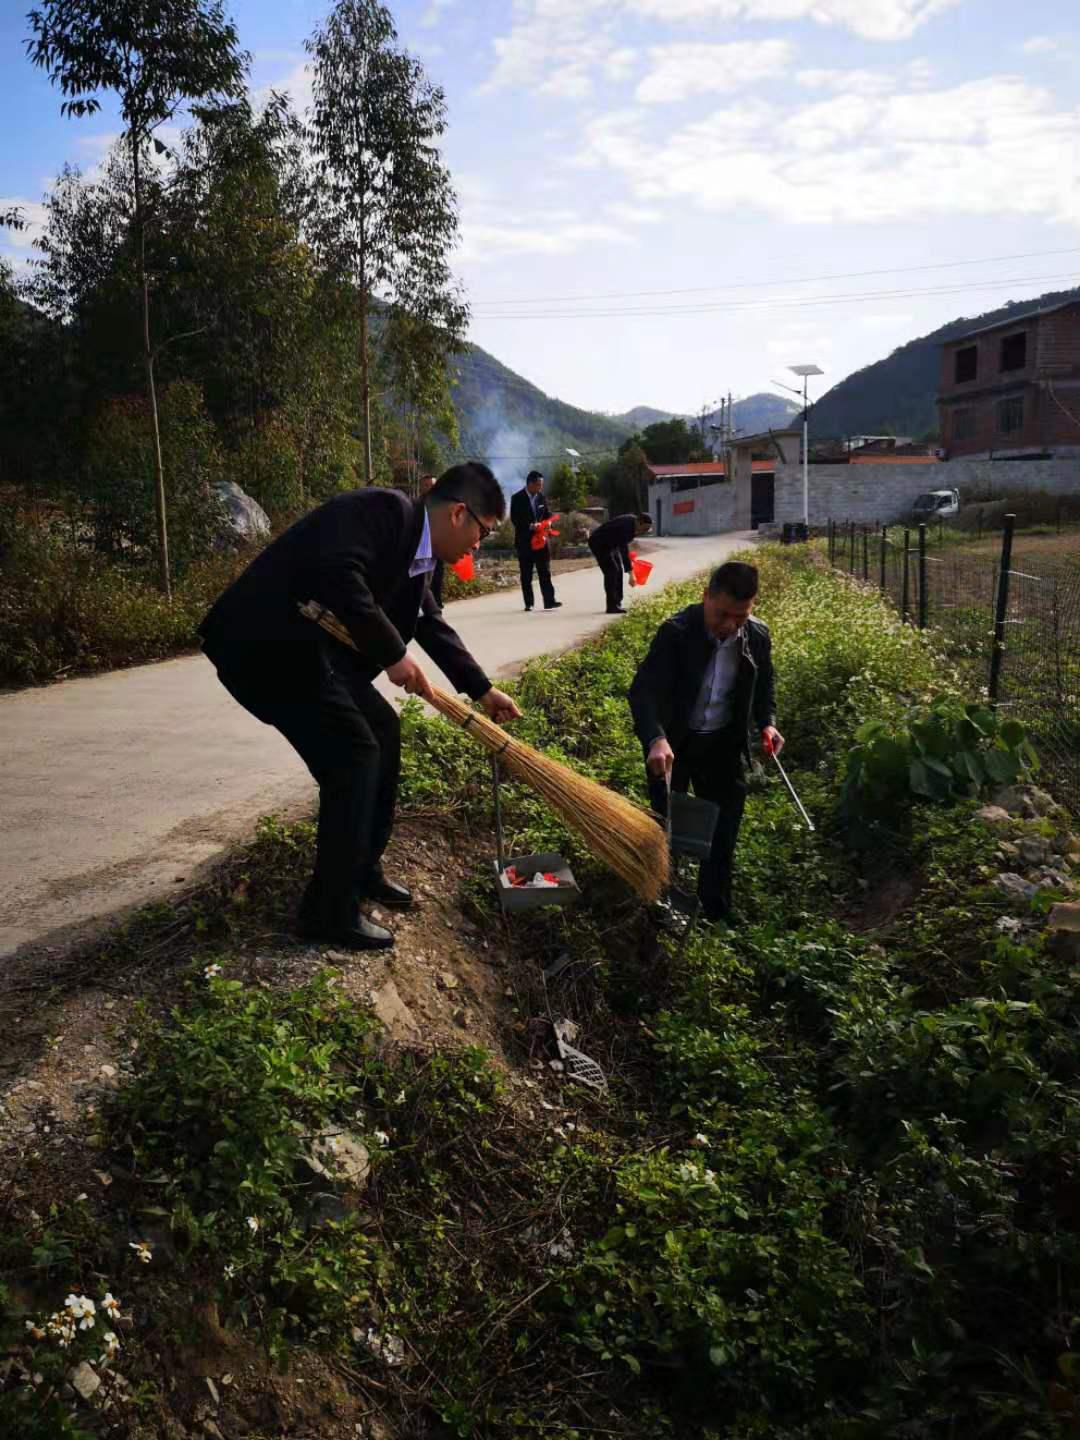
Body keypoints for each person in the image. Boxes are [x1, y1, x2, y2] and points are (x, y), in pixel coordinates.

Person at [198, 463, 520, 952]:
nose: (479, 546)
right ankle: (328, 911)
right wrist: (392, 654)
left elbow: (429, 624)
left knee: (383, 732)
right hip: (264, 645)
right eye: (483, 533)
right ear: (460, 514)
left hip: (309, 652)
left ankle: (361, 868)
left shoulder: (425, 562)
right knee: (353, 754)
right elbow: (339, 575)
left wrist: (481, 690)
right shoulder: (383, 511)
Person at [629, 560, 783, 926]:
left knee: (723, 833)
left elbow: (764, 688)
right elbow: (643, 693)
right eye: (722, 614)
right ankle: (661, 904)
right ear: (705, 598)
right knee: (665, 829)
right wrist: (656, 738)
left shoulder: (757, 637)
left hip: (722, 746)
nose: (729, 626)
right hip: (673, 747)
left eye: (741, 618)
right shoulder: (676, 633)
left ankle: (713, 913)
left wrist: (768, 724)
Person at [510, 470, 561, 612]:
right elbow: (515, 519)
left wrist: (549, 522)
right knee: (526, 574)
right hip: (525, 542)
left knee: (545, 571)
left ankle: (549, 601)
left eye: (541, 485)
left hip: (541, 541)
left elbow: (547, 514)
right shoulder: (517, 498)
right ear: (530, 484)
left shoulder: (541, 498)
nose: (541, 487)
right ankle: (529, 603)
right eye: (539, 484)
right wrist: (530, 526)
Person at [587, 512, 652, 614]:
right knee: (612, 571)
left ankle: (617, 602)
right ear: (639, 522)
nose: (644, 531)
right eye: (644, 528)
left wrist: (629, 569)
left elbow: (623, 549)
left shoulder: (632, 525)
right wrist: (631, 574)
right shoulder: (626, 527)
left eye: (647, 530)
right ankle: (611, 606)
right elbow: (624, 551)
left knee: (619, 570)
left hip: (611, 544)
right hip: (599, 543)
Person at [418, 473, 445, 606]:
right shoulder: (415, 504)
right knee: (422, 578)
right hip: (421, 546)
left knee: (438, 577)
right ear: (421, 487)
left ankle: (437, 604)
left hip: (438, 545)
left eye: (432, 485)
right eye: (426, 485)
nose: (429, 488)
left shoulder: (443, 504)